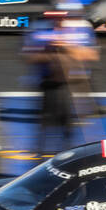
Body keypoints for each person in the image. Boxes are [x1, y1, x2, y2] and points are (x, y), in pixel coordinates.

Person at [22, 9, 99, 157]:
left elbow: (91, 55)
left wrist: (66, 47)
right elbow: (28, 58)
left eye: (60, 18)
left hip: (73, 86)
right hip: (48, 85)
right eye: (54, 18)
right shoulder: (38, 30)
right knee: (45, 129)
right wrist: (49, 50)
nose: (57, 22)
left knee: (69, 129)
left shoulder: (81, 29)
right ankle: (40, 160)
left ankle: (67, 158)